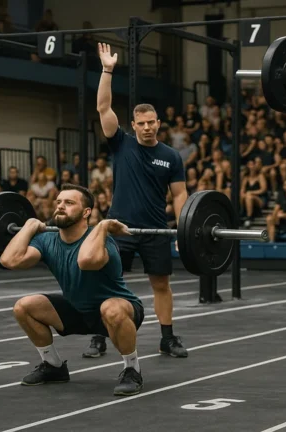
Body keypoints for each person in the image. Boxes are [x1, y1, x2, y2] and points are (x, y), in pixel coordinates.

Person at [0, 184, 145, 396]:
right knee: (24, 307)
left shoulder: (102, 240)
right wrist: (29, 226)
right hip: (77, 309)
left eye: (69, 203)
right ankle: (53, 366)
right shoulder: (47, 240)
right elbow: (9, 260)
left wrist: (102, 226)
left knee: (110, 308)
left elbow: (86, 261)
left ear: (86, 212)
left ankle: (132, 369)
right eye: (58, 202)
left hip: (119, 310)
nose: (60, 206)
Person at [94, 43, 188, 358]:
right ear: (133, 125)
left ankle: (167, 338)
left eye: (152, 122)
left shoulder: (171, 156)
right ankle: (99, 336)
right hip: (119, 227)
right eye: (141, 123)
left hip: (155, 229)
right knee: (108, 282)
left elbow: (179, 194)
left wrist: (184, 228)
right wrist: (107, 70)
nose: (147, 127)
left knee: (161, 284)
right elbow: (103, 108)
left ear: (158, 123)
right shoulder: (121, 144)